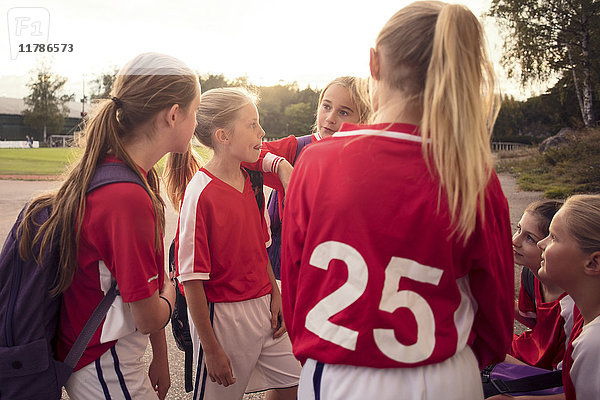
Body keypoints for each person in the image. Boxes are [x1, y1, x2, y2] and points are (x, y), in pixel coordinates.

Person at [280, 2, 514, 399]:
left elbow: (296, 286)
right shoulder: (473, 174)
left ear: (373, 64)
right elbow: (495, 316)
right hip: (443, 376)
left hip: (339, 374)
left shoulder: (318, 161)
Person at [18, 52, 200, 399]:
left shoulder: (120, 172)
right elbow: (148, 314)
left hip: (103, 359)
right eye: (195, 111)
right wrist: (171, 289)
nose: (196, 122)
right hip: (104, 365)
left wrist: (160, 356)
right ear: (173, 115)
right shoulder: (125, 197)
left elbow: (138, 278)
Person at [164, 87, 301, 400]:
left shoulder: (250, 182)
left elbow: (260, 249)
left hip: (264, 308)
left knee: (298, 380)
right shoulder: (200, 193)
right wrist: (211, 349)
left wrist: (274, 292)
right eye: (252, 124)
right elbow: (191, 280)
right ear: (223, 136)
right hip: (223, 319)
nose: (261, 131)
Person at [250, 76, 371, 279]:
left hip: (335, 273)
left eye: (343, 112)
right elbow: (245, 154)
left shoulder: (367, 163)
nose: (330, 118)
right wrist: (280, 166)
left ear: (363, 119)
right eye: (326, 106)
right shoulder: (295, 149)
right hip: (286, 271)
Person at [491, 194, 600, 400]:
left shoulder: (592, 340)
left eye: (554, 237)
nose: (542, 244)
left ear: (593, 263)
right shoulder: (588, 319)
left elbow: (561, 383)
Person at [508, 200, 574, 370]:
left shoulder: (574, 306)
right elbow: (534, 320)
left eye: (530, 238)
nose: (515, 240)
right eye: (518, 229)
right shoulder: (531, 275)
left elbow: (560, 381)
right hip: (529, 351)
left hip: (543, 372)